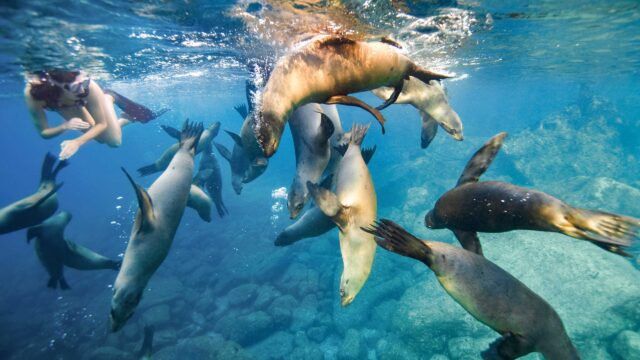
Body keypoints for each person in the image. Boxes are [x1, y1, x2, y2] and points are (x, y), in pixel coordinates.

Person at [24, 70, 168, 160]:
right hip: (62, 104)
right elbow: (44, 132)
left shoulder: (87, 87)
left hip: (88, 98)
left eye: (79, 84)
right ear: (57, 93)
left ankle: (109, 97)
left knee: (114, 142)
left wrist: (77, 142)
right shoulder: (34, 96)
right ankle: (126, 118)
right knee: (100, 139)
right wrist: (65, 126)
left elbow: (101, 124)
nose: (80, 91)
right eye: (75, 89)